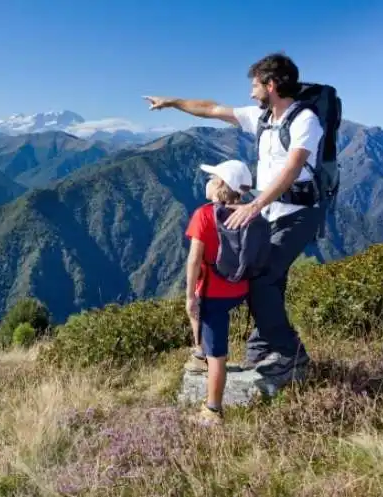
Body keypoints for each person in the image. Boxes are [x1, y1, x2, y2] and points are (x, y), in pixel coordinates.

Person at [144, 52, 323, 377]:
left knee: (263, 279)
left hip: (297, 214)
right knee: (265, 277)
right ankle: (261, 349)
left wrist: (254, 204)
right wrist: (173, 102)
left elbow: (294, 166)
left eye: (255, 85)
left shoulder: (305, 120)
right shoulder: (263, 117)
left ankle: (290, 352)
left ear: (271, 85)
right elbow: (212, 109)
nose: (251, 92)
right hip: (269, 213)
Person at [184, 159, 252, 425]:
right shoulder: (248, 211)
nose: (208, 181)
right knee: (201, 316)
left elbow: (193, 259)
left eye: (212, 177)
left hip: (213, 293)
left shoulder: (204, 214)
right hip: (241, 287)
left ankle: (213, 410)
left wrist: (190, 296)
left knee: (218, 354)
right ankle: (201, 353)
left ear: (221, 184)